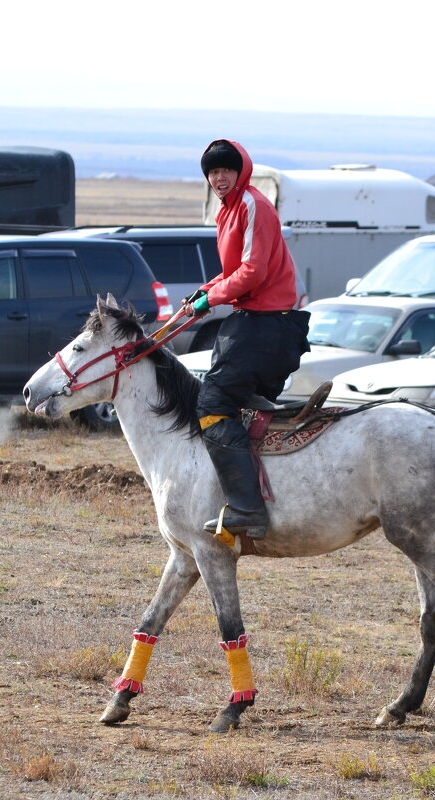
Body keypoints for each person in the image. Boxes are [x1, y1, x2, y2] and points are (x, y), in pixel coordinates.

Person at [181, 139, 309, 541]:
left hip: (268, 323)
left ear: (241, 172)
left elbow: (252, 272)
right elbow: (233, 271)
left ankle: (246, 507)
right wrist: (203, 294)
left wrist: (212, 297)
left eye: (225, 170)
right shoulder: (230, 210)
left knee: (213, 403)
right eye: (212, 172)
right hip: (253, 320)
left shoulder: (253, 204)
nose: (218, 178)